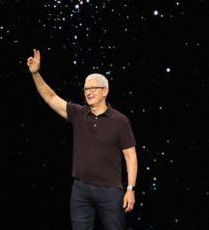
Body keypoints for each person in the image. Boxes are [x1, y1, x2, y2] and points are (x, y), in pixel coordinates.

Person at [27, 48, 138, 230]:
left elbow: (130, 156)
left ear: (105, 91)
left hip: (111, 192)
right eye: (86, 89)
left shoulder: (120, 121)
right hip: (81, 191)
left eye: (93, 88)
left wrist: (130, 189)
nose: (88, 92)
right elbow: (51, 97)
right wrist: (36, 74)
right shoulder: (78, 114)